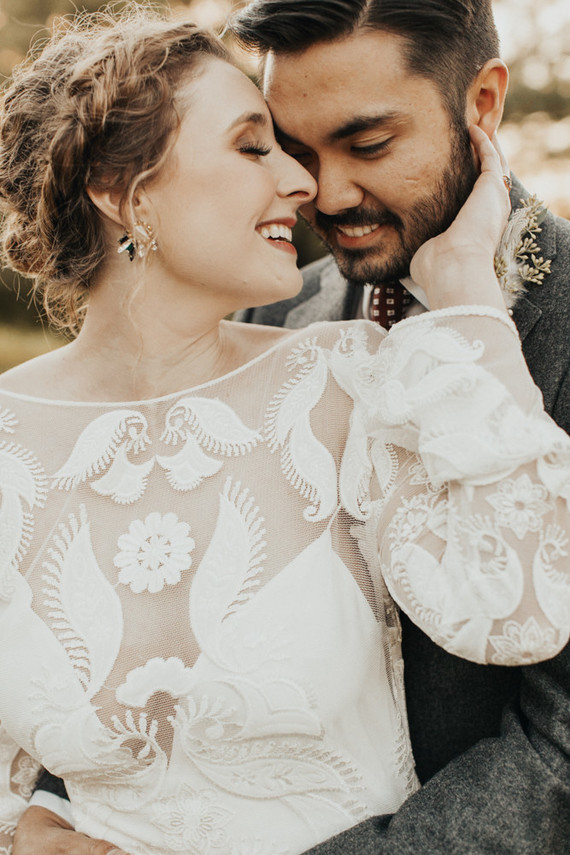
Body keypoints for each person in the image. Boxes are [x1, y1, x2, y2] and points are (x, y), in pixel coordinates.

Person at [2, 5, 569, 855]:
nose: (317, 191)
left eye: (368, 144)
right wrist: (37, 817)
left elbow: (554, 744)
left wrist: (468, 316)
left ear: (483, 104)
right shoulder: (288, 308)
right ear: (123, 193)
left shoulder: (350, 371)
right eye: (282, 146)